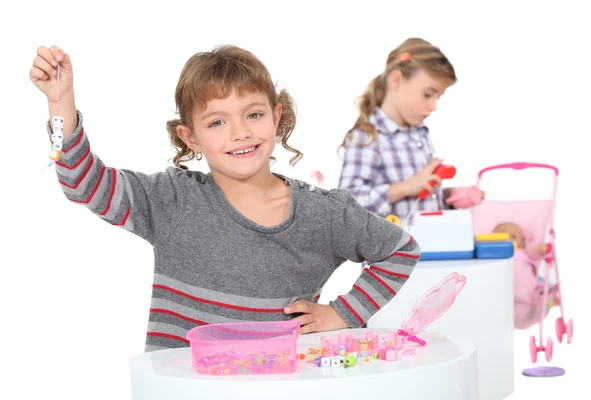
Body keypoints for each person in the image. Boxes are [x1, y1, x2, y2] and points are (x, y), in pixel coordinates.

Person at [30, 44, 421, 352]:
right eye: (217, 121)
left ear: (276, 115)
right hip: (184, 390)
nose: (240, 132)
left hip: (276, 388)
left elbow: (400, 250)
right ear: (191, 138)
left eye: (253, 114)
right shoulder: (172, 200)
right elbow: (84, 182)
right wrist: (60, 105)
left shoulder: (325, 214)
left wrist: (342, 313)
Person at [338, 38, 484, 221]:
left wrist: (450, 196)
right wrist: (405, 187)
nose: (434, 106)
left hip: (427, 244)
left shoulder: (420, 133)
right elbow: (343, 205)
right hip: (392, 249)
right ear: (396, 80)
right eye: (428, 95)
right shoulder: (367, 137)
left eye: (438, 97)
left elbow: (418, 199)